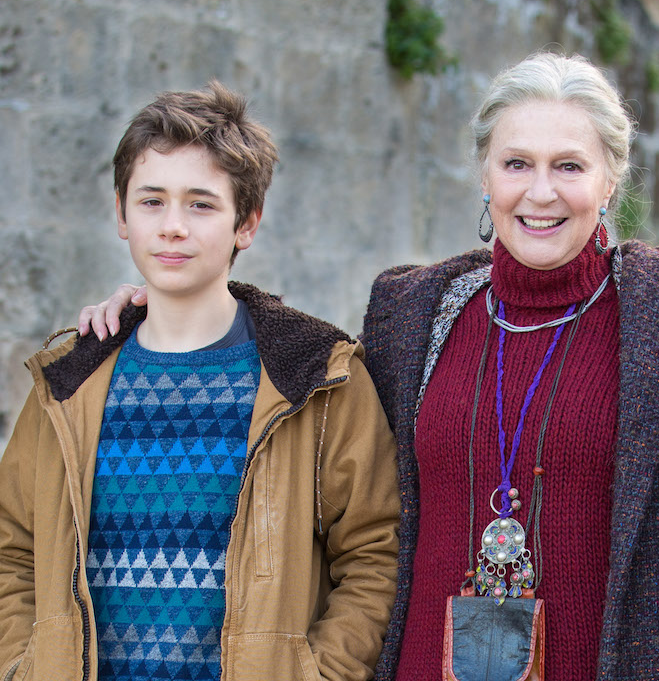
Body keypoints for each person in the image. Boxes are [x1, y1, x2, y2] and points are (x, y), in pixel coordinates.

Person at [75, 57, 659, 680]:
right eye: (516, 163)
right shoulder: (412, 309)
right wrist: (158, 302)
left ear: (611, 178)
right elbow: (307, 363)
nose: (541, 192)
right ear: (483, 175)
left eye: (569, 166)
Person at [0, 82, 400, 681]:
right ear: (121, 214)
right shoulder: (68, 383)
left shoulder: (316, 379)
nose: (172, 227)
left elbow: (375, 552)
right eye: (151, 201)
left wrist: (319, 673)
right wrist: (22, 665)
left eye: (201, 204)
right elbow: (12, 548)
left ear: (247, 223)